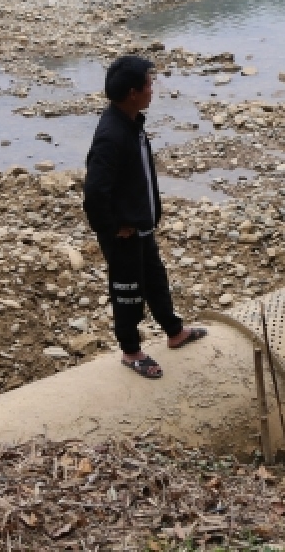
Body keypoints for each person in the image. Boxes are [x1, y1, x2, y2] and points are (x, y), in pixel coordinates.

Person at [83, 55, 207, 378]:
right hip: (124, 233)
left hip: (139, 226)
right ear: (133, 93)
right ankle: (131, 352)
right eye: (149, 84)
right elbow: (95, 194)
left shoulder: (131, 122)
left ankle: (175, 332)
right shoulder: (112, 135)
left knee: (154, 279)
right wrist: (113, 228)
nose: (153, 90)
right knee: (127, 291)